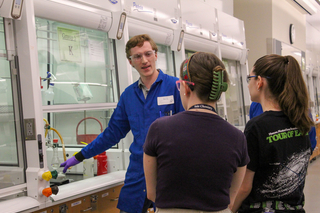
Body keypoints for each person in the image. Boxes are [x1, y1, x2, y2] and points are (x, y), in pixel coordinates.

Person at [60, 34, 184, 213]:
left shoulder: (176, 87)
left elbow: (189, 130)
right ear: (130, 62)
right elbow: (112, 134)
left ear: (156, 55)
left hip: (168, 174)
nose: (144, 60)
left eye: (148, 54)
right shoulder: (128, 96)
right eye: (137, 56)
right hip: (137, 175)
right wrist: (80, 156)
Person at [143, 52, 249, 213]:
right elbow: (230, 200)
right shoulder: (237, 137)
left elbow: (152, 193)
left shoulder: (159, 129)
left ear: (185, 87)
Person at [232, 54, 314, 213]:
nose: (248, 84)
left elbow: (244, 187)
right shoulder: (301, 122)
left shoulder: (256, 127)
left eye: (250, 78)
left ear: (260, 81)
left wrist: (229, 210)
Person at [249, 102, 317, 152]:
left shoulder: (293, 102)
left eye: (249, 81)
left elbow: (311, 139)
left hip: (296, 162)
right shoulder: (255, 106)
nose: (248, 85)